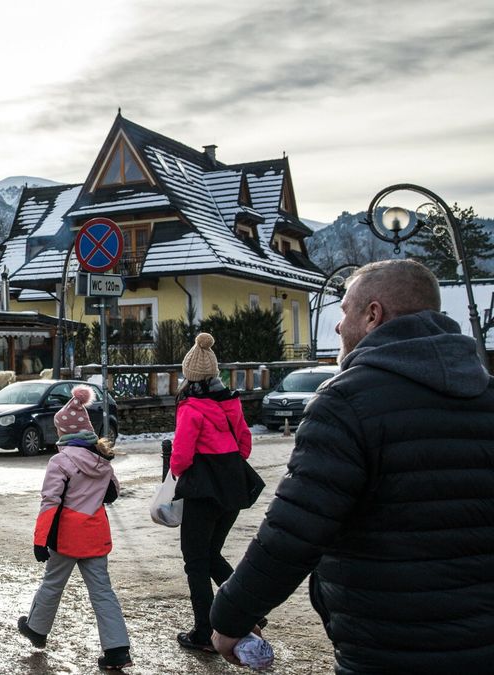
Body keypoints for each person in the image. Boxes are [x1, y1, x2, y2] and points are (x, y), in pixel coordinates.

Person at [210, 259, 494, 672]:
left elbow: (295, 532)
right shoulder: (486, 395)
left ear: (373, 315)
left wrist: (230, 617)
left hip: (388, 646)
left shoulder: (347, 402)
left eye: (344, 311)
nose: (339, 327)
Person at [17, 386, 132, 671]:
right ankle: (117, 649)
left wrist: (40, 540)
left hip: (67, 537)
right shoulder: (102, 460)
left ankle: (37, 629)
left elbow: (50, 502)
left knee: (52, 583)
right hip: (95, 535)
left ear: (64, 433)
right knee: (102, 591)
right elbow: (113, 493)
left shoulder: (60, 461)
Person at [171, 332, 263, 653]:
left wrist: (178, 474)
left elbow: (181, 458)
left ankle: (203, 632)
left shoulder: (190, 407)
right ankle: (248, 611)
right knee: (211, 555)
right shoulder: (229, 401)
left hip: (203, 493)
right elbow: (245, 446)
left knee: (196, 561)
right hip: (233, 488)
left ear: (189, 375)